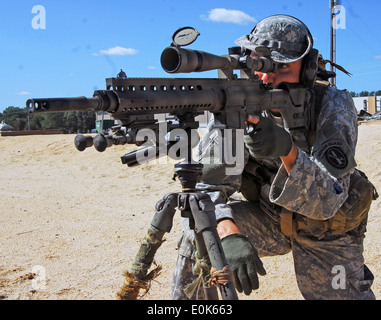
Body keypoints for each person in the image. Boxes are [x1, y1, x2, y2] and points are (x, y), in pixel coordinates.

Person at [171, 14, 377, 300]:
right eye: (259, 64)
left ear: (305, 70)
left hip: (329, 230)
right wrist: (226, 229)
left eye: (282, 66)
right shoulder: (237, 104)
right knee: (200, 240)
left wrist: (287, 150)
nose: (267, 77)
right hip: (271, 218)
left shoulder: (333, 104)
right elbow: (205, 190)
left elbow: (328, 200)